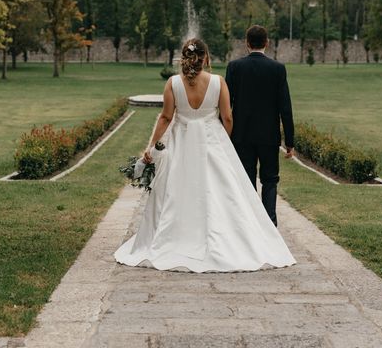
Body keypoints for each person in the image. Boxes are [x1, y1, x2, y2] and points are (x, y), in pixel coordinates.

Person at [114, 38, 295, 272]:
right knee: (223, 191)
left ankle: (177, 238)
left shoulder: (173, 83)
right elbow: (228, 117)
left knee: (177, 189)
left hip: (182, 141)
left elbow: (166, 117)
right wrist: (224, 141)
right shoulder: (218, 82)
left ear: (183, 58)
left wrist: (151, 146)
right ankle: (230, 240)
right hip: (213, 141)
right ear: (206, 58)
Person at [225, 25, 295, 226]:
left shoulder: (235, 67)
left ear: (246, 43)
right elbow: (285, 108)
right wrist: (289, 142)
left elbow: (225, 105)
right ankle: (270, 223)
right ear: (267, 43)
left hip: (241, 136)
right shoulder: (277, 69)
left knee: (246, 181)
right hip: (269, 136)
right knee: (270, 179)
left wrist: (223, 134)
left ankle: (248, 225)